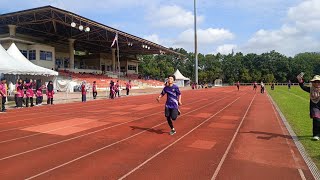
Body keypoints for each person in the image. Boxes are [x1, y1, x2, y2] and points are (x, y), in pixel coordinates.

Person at [297, 74, 320, 140]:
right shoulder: (311, 89)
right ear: (313, 83)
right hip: (315, 107)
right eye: (315, 82)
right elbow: (303, 87)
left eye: (318, 82)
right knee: (316, 119)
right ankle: (316, 135)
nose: (317, 83)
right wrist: (300, 80)